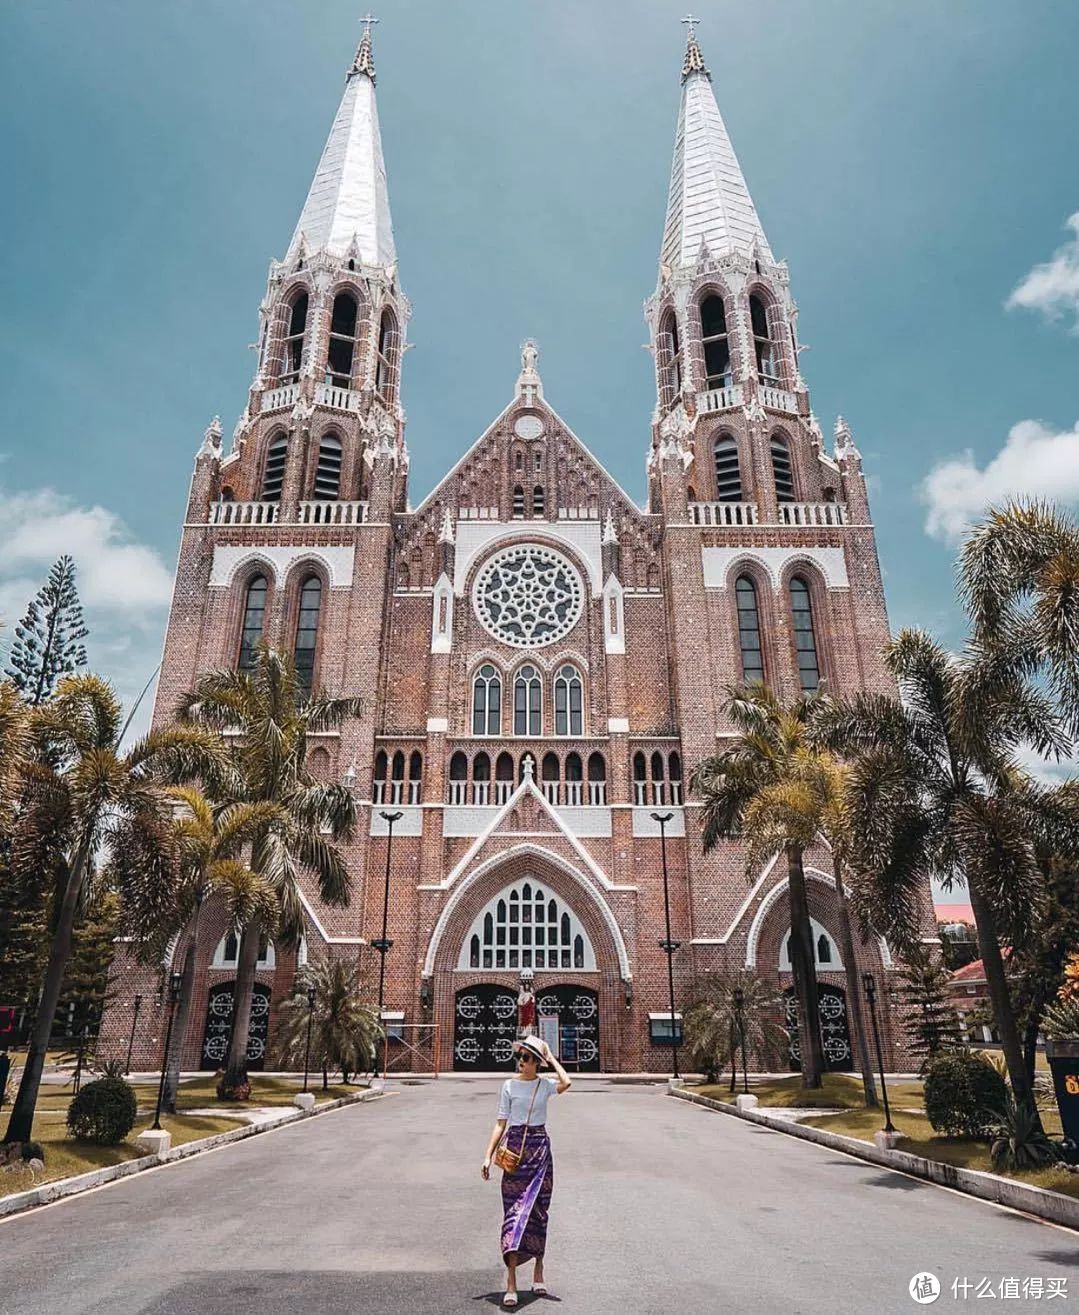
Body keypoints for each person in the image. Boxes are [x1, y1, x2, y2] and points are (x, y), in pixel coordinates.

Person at [481, 1034, 571, 1308]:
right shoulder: (508, 1086)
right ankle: (511, 1282)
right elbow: (500, 1124)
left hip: (540, 1152)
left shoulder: (544, 1086)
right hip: (516, 1155)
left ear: (537, 1063)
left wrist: (551, 1057)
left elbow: (567, 1082)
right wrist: (487, 1157)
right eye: (520, 1056)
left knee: (539, 1212)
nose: (522, 1061)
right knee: (513, 1214)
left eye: (528, 1058)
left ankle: (538, 1272)